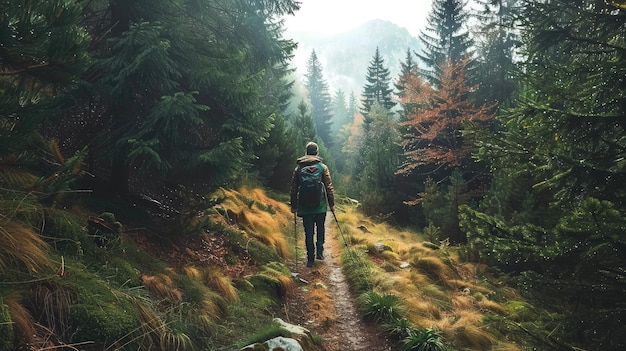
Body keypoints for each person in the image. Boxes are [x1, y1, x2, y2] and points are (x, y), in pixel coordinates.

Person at [290, 142, 335, 267]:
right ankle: (319, 251)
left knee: (308, 232)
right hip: (320, 205)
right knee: (320, 227)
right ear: (317, 152)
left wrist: (294, 206)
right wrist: (331, 204)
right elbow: (329, 187)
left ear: (306, 152)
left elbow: (293, 189)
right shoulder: (322, 167)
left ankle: (310, 259)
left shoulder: (298, 169)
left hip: (305, 206)